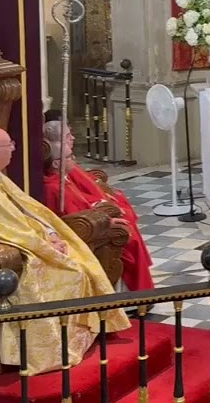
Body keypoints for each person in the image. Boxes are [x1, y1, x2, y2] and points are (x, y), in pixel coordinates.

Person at [0, 128, 129, 374]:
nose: (14, 148)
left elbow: (20, 213)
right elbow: (1, 227)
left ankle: (80, 333)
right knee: (69, 270)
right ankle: (51, 349)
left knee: (78, 257)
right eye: (9, 144)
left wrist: (50, 233)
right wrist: (44, 244)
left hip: (20, 237)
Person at [42, 113, 155, 291]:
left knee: (125, 222)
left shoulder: (61, 179)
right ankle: (135, 293)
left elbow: (81, 201)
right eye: (70, 157)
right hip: (87, 231)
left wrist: (101, 204)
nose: (74, 159)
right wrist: (106, 219)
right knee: (126, 236)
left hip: (93, 221)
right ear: (56, 163)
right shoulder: (54, 188)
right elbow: (70, 218)